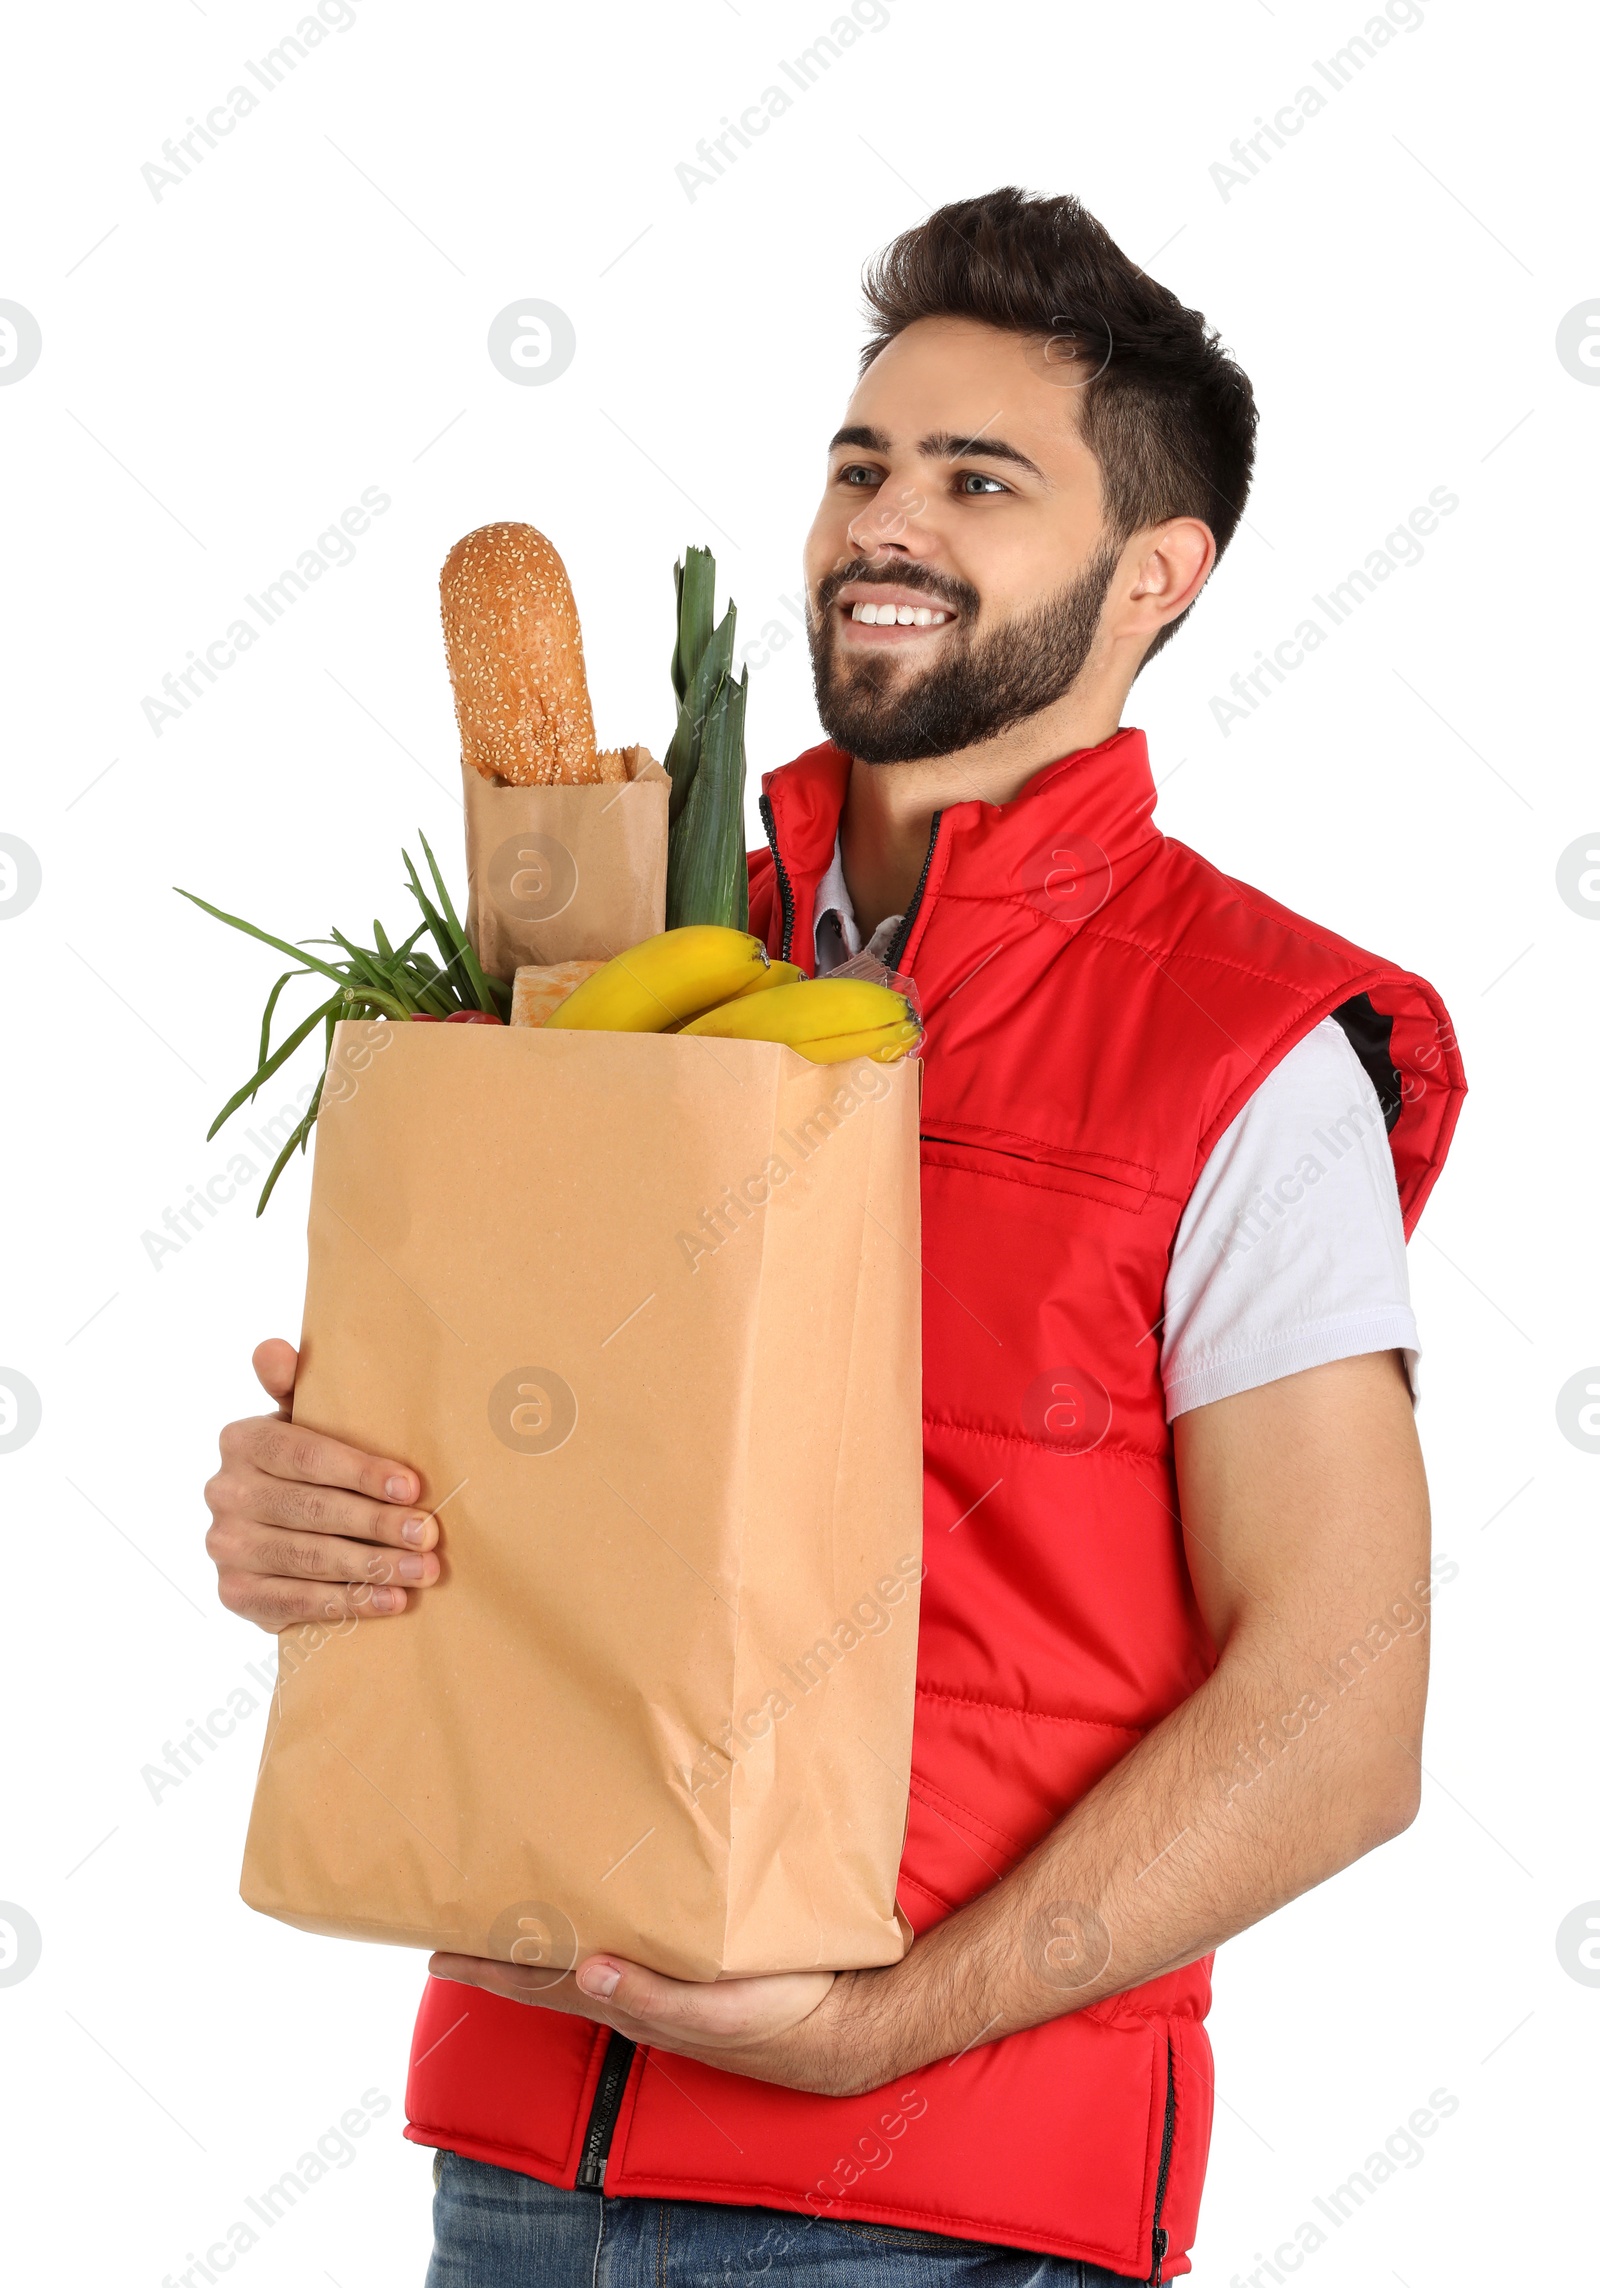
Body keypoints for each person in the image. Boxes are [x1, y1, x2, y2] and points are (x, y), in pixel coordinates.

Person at [202, 188, 1464, 2284]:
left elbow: (1340, 1707)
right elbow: (523, 1511)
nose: (888, 519)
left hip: (930, 2210)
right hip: (515, 2158)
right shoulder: (616, 952)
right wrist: (318, 1526)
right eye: (861, 463)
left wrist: (874, 2029)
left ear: (1156, 572)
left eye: (981, 479)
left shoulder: (1239, 1048)